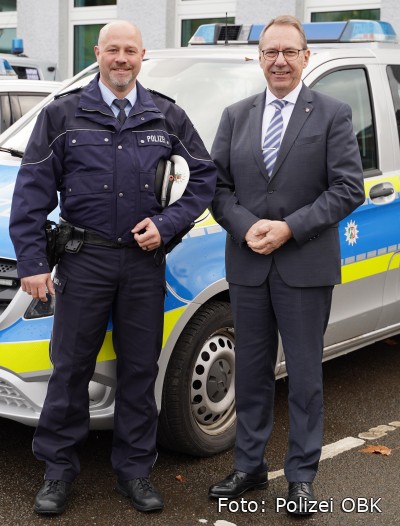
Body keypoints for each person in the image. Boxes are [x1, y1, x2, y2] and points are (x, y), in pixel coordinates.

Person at [9, 20, 216, 516]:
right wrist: (32, 262)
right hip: (84, 261)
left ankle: (135, 471)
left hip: (144, 264)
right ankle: (58, 472)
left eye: (130, 51)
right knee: (70, 369)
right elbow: (31, 192)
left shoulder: (166, 115)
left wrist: (166, 225)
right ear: (98, 54)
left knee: (140, 370)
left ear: (142, 56)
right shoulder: (63, 115)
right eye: (112, 50)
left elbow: (204, 178)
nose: (121, 59)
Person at [209, 15, 364, 515]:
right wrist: (246, 226)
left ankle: (301, 477)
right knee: (253, 374)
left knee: (304, 377)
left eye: (289, 52)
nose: (279, 61)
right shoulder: (236, 115)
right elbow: (217, 187)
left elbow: (348, 188)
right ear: (259, 58)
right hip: (249, 265)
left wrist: (289, 228)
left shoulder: (333, 114)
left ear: (305, 57)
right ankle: (249, 467)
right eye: (270, 52)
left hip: (305, 266)